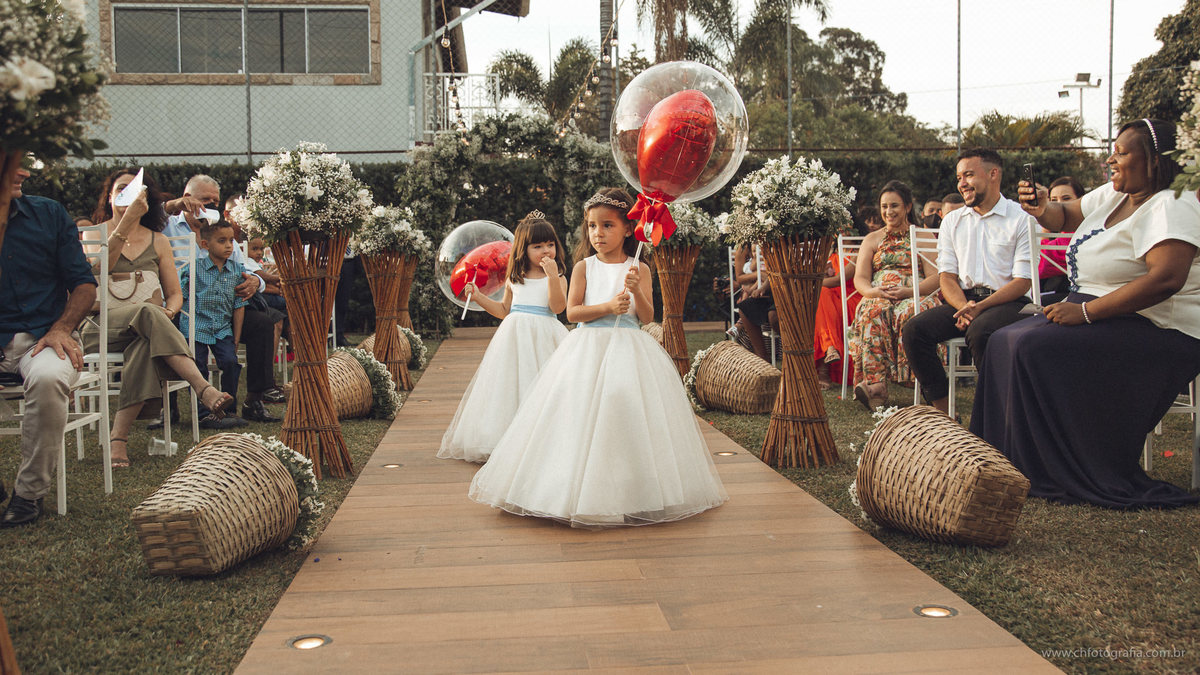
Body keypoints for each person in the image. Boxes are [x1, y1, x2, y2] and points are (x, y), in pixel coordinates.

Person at [972, 119, 1200, 509]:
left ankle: (1051, 468)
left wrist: (1087, 312)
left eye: (1122, 152)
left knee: (1030, 346)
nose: (1111, 159)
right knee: (1001, 340)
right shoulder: (1114, 196)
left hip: (1157, 325)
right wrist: (1042, 206)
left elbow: (1166, 279)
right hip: (1104, 314)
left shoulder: (1171, 203)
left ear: (1154, 160)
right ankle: (1006, 463)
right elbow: (1064, 216)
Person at [469, 188, 727, 527]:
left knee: (623, 411)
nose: (598, 233)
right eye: (592, 226)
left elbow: (647, 316)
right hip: (587, 348)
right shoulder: (583, 267)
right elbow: (572, 312)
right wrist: (608, 306)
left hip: (629, 349)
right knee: (578, 412)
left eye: (607, 226)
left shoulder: (640, 268)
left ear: (628, 229)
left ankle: (631, 489)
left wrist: (634, 290)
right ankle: (569, 488)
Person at [84, 168, 236, 465]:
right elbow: (98, 273)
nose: (126, 195)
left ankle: (118, 440)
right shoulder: (93, 233)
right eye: (120, 189)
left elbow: (175, 293)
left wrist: (169, 311)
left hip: (146, 329)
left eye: (133, 190)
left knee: (146, 341)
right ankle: (203, 388)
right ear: (109, 197)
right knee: (148, 313)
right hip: (101, 327)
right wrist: (126, 222)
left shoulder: (158, 240)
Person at [0, 163, 97, 527]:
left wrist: (62, 328)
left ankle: (28, 495)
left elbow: (84, 285)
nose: (24, 173)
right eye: (12, 164)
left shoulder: (49, 214)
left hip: (44, 338)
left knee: (47, 378)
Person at [901, 149, 1033, 414]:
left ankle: (997, 415)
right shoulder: (952, 220)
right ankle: (944, 414)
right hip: (964, 300)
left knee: (980, 332)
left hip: (1009, 302)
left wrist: (979, 308)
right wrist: (964, 306)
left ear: (993, 174)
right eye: (959, 177)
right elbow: (947, 277)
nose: (961, 183)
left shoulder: (1021, 218)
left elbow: (1022, 282)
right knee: (914, 330)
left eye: (969, 175)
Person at [437, 212, 569, 462]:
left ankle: (540, 440)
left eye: (550, 244)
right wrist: (478, 297)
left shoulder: (558, 278)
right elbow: (504, 310)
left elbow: (558, 307)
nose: (546, 251)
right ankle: (505, 439)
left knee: (542, 386)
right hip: (514, 338)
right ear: (523, 250)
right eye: (537, 246)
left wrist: (552, 276)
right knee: (509, 386)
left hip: (544, 336)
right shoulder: (514, 278)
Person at [846, 180, 941, 410]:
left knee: (912, 311)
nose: (888, 211)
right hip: (880, 293)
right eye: (884, 206)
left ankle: (921, 381)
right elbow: (860, 278)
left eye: (894, 206)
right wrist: (872, 291)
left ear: (907, 207)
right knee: (872, 310)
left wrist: (910, 291)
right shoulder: (872, 239)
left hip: (916, 293)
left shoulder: (923, 237)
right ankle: (876, 386)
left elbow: (936, 277)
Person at [179, 221, 249, 428]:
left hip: (221, 328)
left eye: (231, 240)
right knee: (197, 366)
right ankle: (204, 413)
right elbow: (181, 296)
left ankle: (228, 410)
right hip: (196, 326)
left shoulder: (237, 271)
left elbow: (239, 306)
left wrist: (236, 337)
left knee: (230, 362)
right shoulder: (194, 269)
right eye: (222, 241)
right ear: (205, 244)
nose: (228, 245)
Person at [812, 224, 860, 389]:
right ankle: (830, 348)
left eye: (847, 228)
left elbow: (839, 280)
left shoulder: (858, 252)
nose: (842, 232)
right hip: (830, 299)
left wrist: (812, 283)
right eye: (839, 228)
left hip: (851, 297)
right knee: (822, 298)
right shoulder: (831, 254)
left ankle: (824, 367)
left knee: (820, 297)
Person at [1034, 176, 1085, 300]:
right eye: (1053, 200)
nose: (1059, 204)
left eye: (1066, 198)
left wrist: (1044, 224)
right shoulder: (1061, 234)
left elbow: (1040, 264)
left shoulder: (1079, 234)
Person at [728, 243, 777, 360]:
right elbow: (741, 277)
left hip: (775, 288)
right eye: (754, 251)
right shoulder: (745, 246)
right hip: (761, 288)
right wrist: (760, 276)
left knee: (772, 314)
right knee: (745, 306)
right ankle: (762, 357)